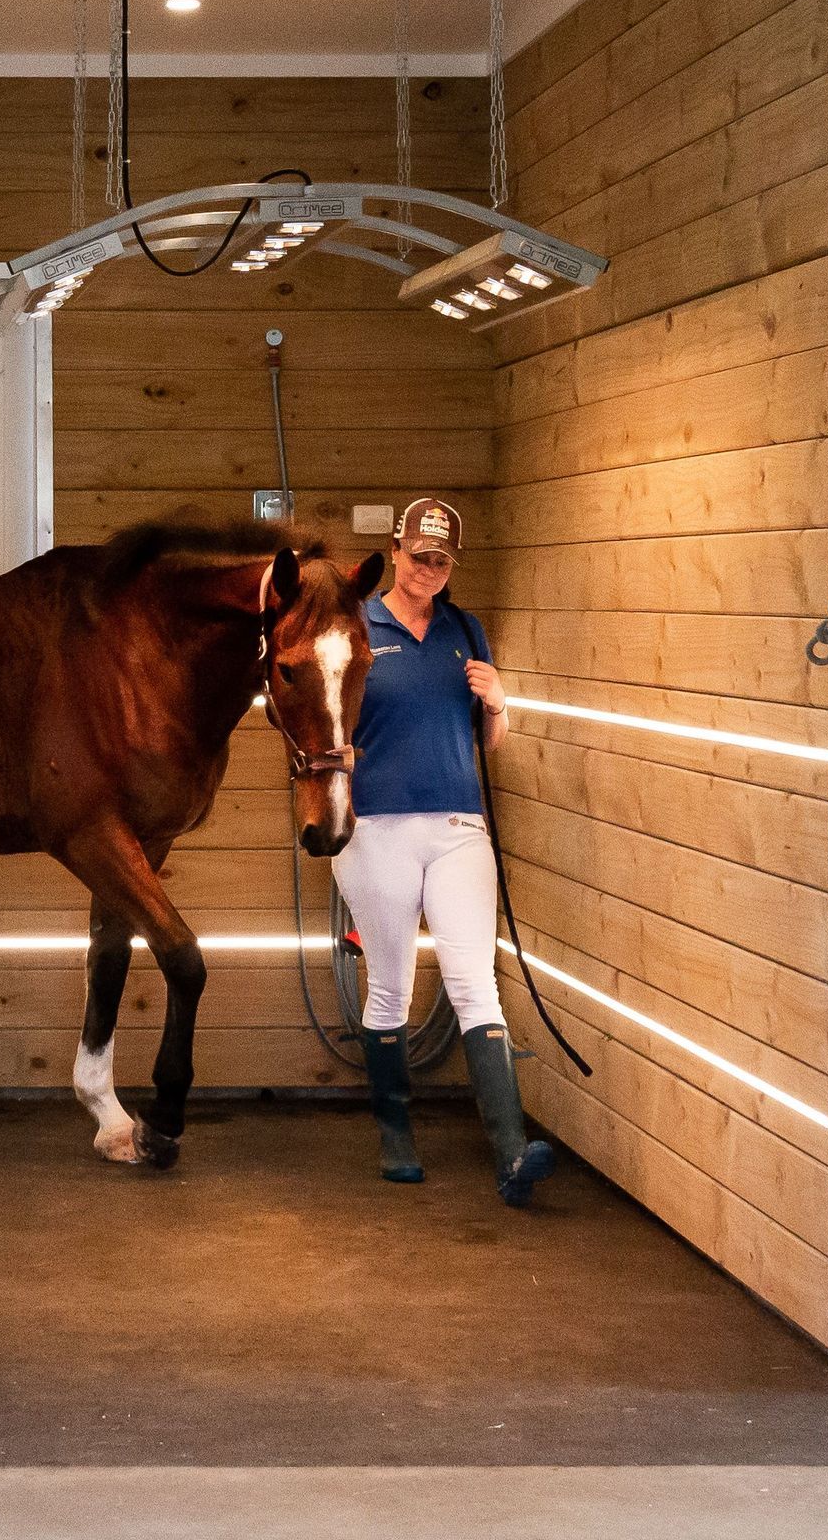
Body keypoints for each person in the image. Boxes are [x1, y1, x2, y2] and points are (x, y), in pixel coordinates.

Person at [333, 498, 553, 1205]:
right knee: (391, 984)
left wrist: (498, 704)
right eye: (419, 555)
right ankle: (396, 1138)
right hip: (377, 827)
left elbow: (491, 742)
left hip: (459, 823)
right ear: (395, 552)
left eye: (441, 560)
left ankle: (512, 1153)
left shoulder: (466, 629)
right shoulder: (358, 626)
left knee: (472, 979)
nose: (428, 569)